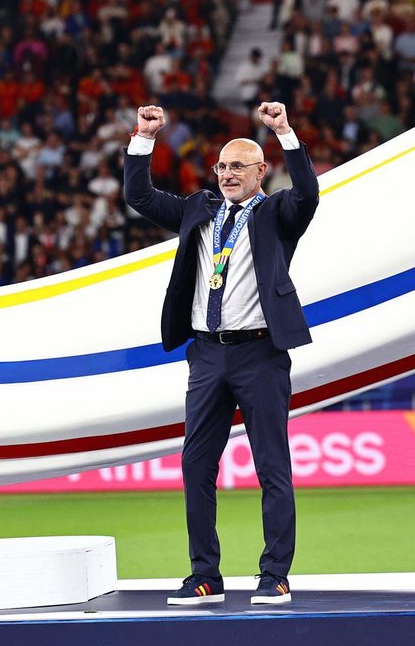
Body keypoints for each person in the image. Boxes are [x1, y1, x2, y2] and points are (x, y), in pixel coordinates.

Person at [124, 102, 319, 606]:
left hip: (260, 353)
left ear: (261, 172)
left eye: (239, 167)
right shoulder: (199, 208)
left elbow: (308, 193)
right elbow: (138, 195)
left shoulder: (278, 213)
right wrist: (145, 139)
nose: (228, 174)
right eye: (222, 167)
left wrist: (283, 132)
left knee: (272, 467)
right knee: (195, 466)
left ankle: (275, 573)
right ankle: (204, 575)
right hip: (207, 355)